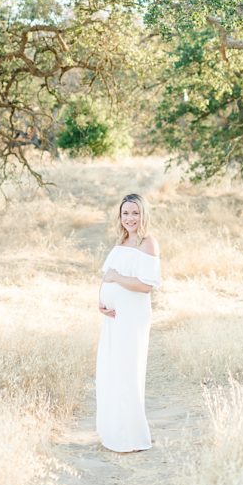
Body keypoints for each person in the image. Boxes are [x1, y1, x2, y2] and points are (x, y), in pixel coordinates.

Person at [96, 193, 161, 453]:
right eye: (126, 214)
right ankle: (113, 432)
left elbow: (146, 286)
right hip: (113, 318)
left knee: (128, 371)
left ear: (143, 214)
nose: (130, 218)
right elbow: (106, 275)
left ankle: (131, 437)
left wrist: (117, 278)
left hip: (132, 317)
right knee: (111, 370)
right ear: (120, 217)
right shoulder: (122, 240)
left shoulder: (148, 243)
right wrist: (100, 299)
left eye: (135, 213)